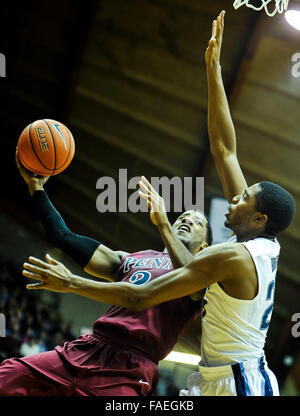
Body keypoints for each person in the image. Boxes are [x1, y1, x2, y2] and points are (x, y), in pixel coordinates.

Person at [20, 11, 296, 396]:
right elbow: (225, 149)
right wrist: (213, 70)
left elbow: (141, 296)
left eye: (244, 197)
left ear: (258, 216)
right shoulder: (255, 239)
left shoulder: (232, 258)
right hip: (211, 373)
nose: (235, 196)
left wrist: (71, 283)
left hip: (236, 381)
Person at [0, 159, 212, 396]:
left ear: (204, 246)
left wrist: (162, 222)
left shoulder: (202, 274)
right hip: (90, 345)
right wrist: (36, 187)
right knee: (7, 376)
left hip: (132, 367)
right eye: (183, 216)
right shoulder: (130, 258)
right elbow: (63, 236)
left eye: (198, 221)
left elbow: (188, 275)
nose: (187, 219)